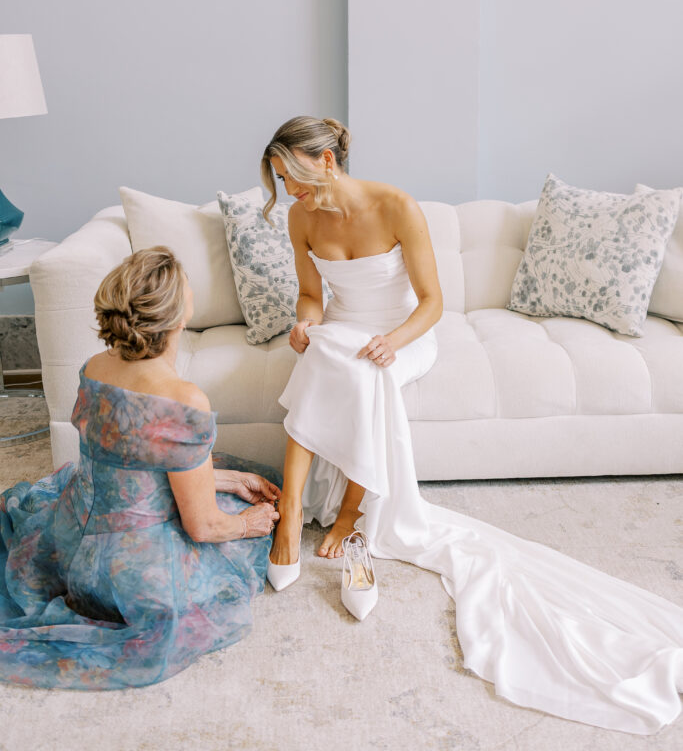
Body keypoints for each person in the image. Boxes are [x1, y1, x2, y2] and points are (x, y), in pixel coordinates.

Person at [260, 115, 683, 735]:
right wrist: (304, 322)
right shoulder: (300, 218)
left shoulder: (395, 205)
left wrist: (391, 342)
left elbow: (433, 303)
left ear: (327, 161)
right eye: (278, 179)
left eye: (293, 175)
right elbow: (311, 296)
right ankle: (292, 513)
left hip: (404, 333)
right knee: (324, 353)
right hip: (344, 328)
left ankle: (352, 513)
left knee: (361, 372)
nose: (288, 189)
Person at [0, 246, 281, 690]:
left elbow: (135, 465)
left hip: (70, 537)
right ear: (177, 316)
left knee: (233, 477)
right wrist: (247, 524)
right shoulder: (182, 398)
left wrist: (223, 479)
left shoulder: (94, 366)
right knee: (248, 528)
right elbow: (204, 527)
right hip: (127, 573)